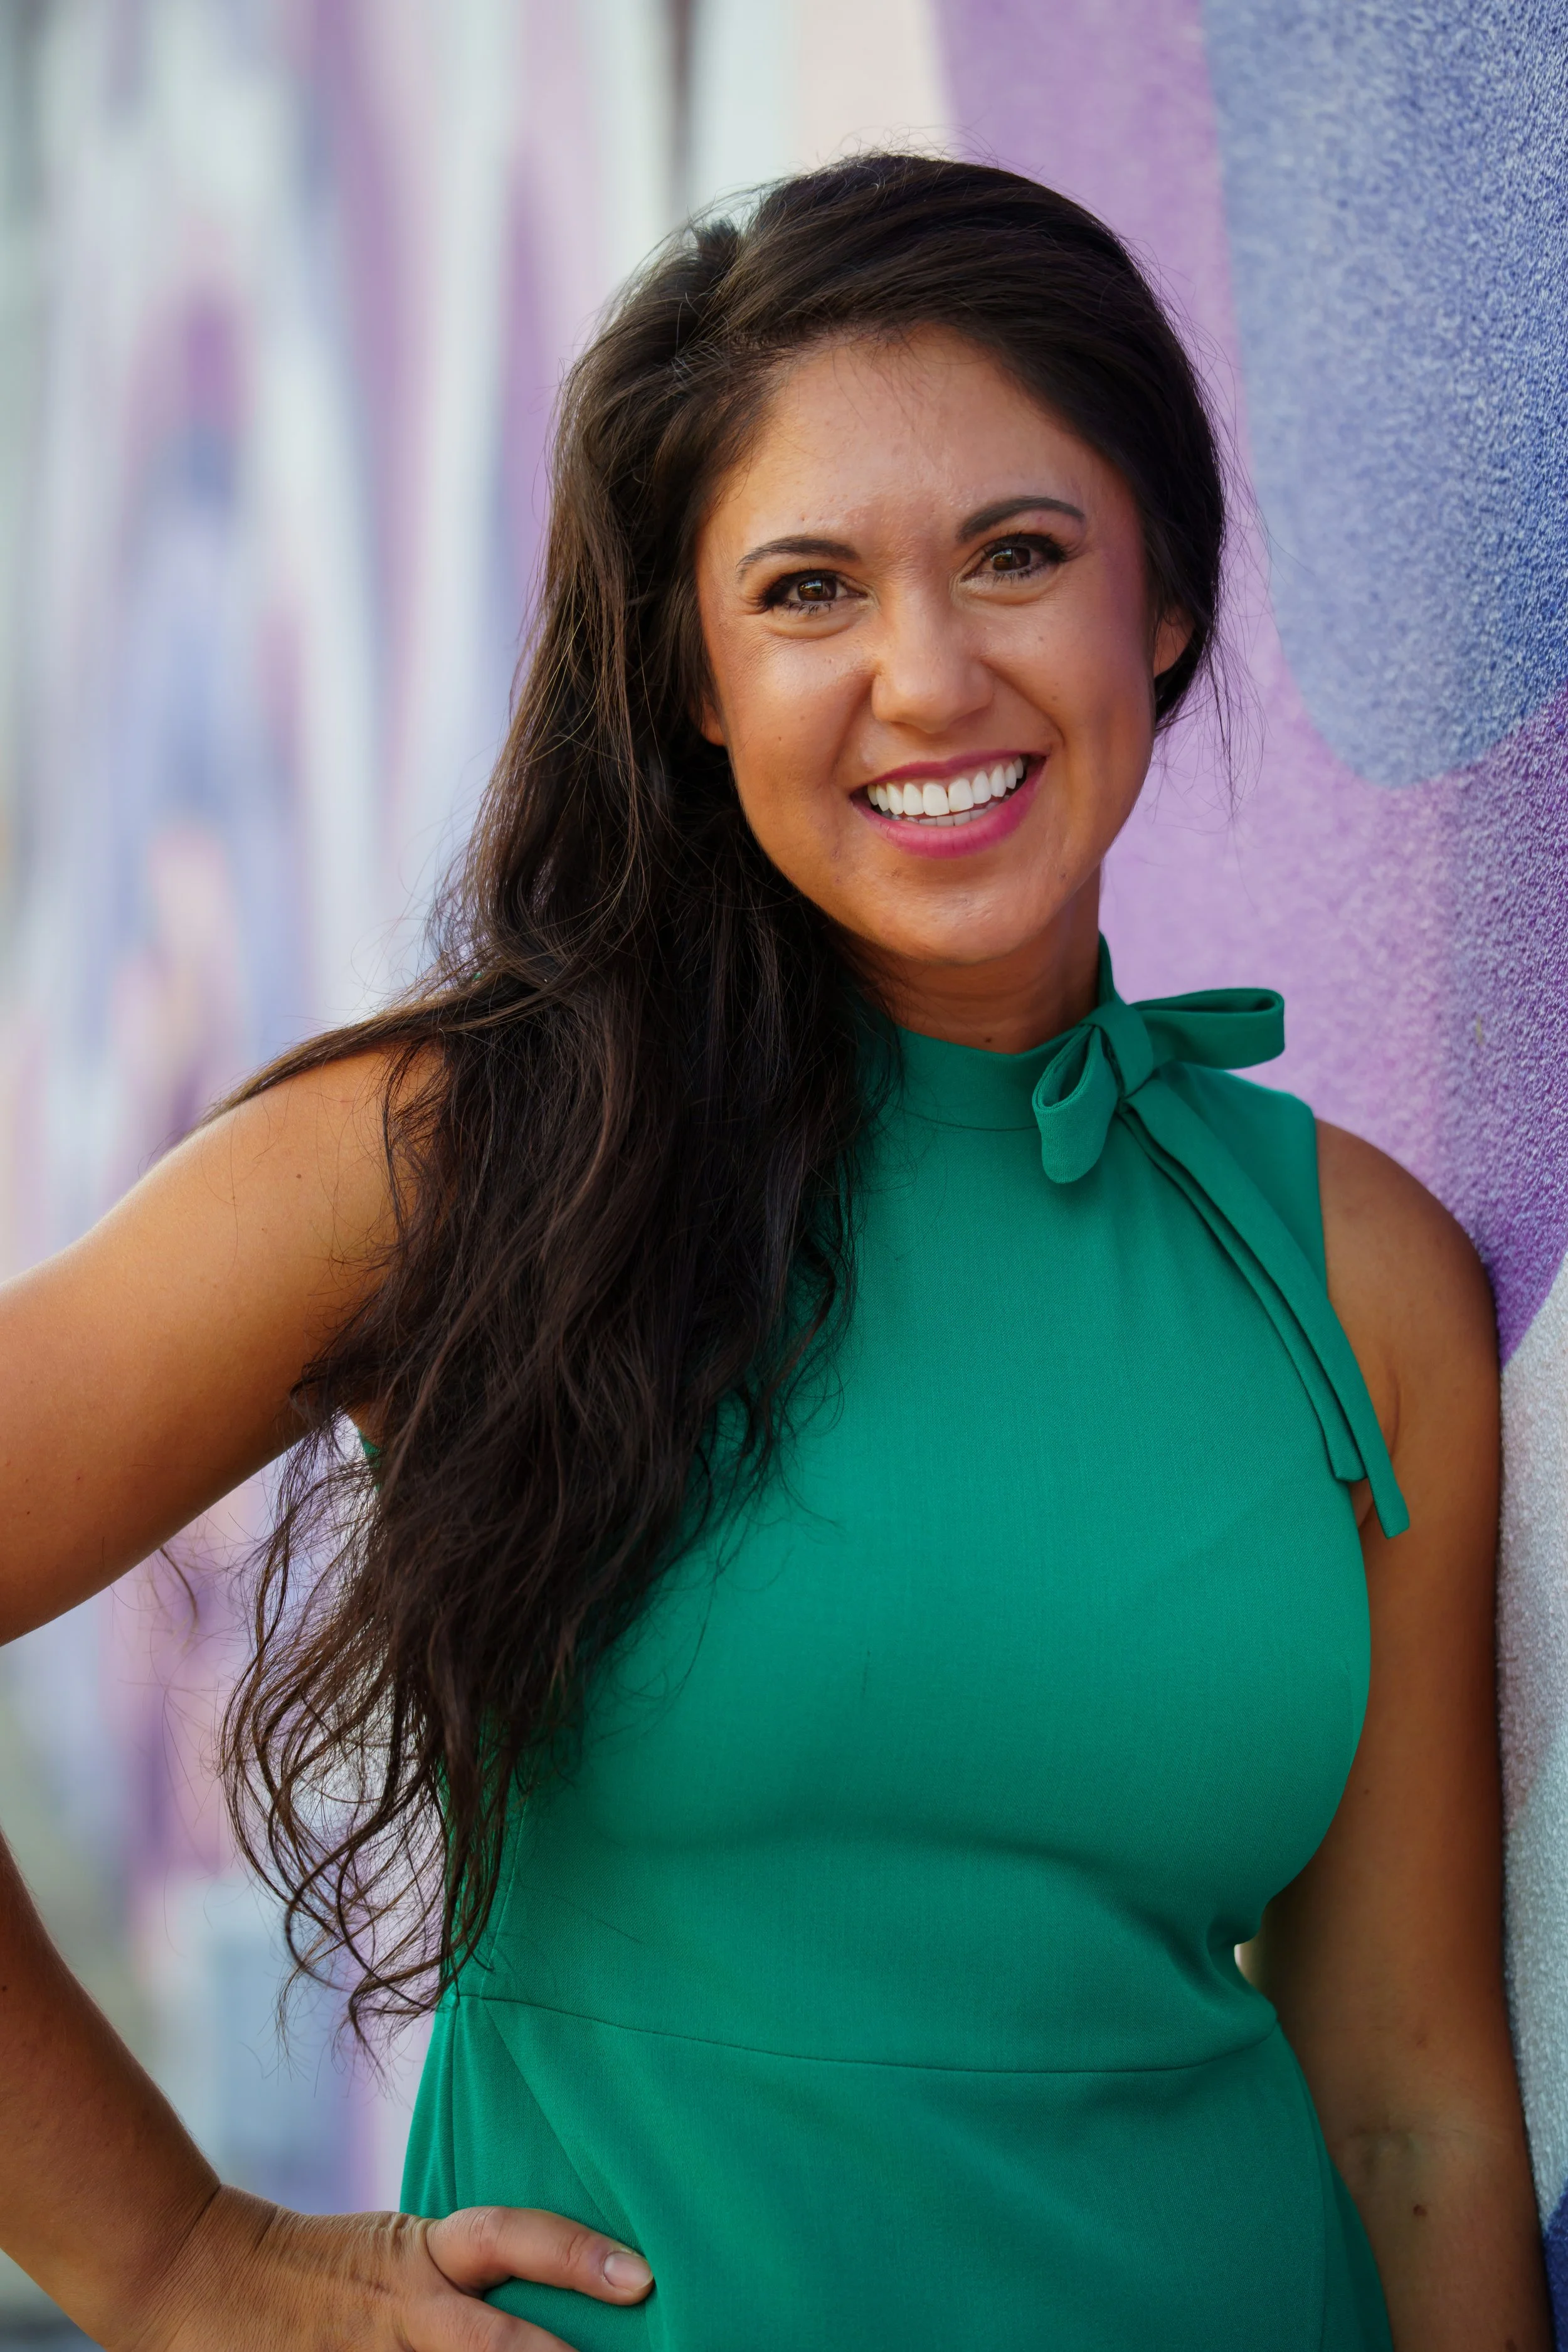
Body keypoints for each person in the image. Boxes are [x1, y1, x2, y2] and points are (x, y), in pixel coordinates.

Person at [0, 155, 1549, 2352]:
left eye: (1020, 555)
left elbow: (1406, 2101)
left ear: (1165, 602)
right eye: (807, 591)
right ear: (698, 680)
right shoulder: (457, 1166)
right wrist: (164, 2255)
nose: (928, 676)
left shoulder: (1355, 1278)